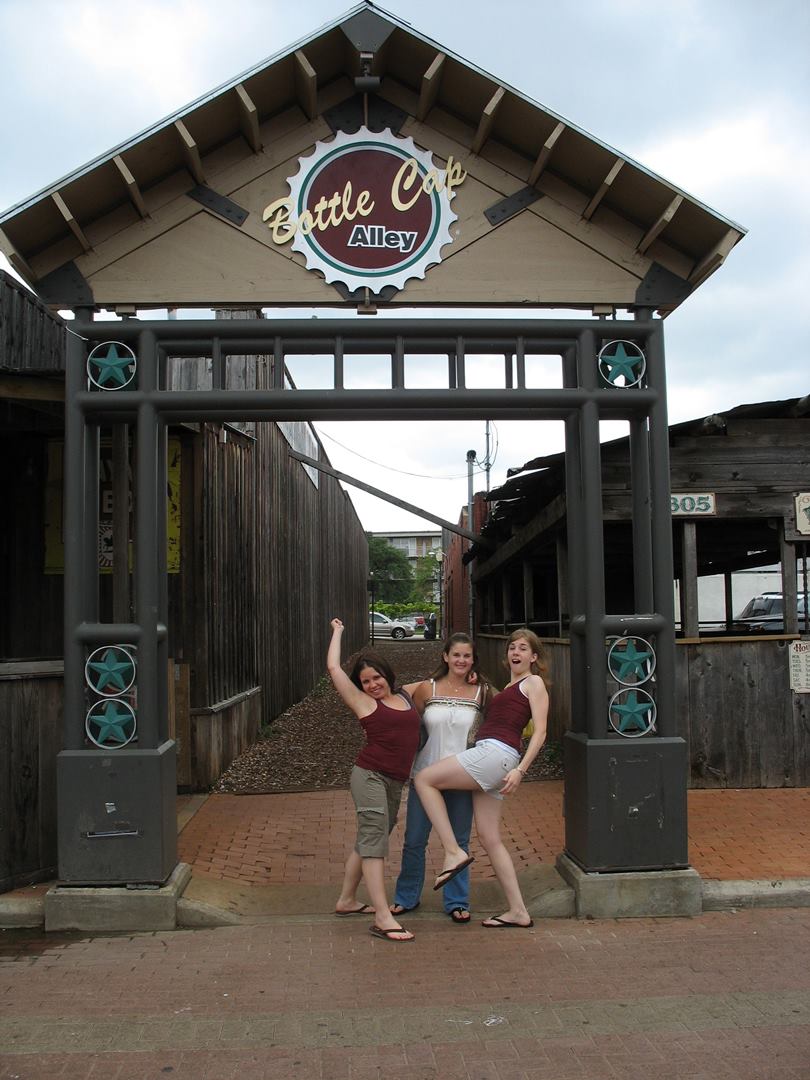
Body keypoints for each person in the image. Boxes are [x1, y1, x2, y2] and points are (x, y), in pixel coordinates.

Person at [414, 628, 549, 929]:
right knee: (490, 839)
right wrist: (480, 683)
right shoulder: (506, 688)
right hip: (494, 759)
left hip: (496, 754)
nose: (516, 653)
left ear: (534, 657)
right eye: (512, 648)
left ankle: (452, 852)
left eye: (524, 649)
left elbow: (540, 731)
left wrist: (521, 770)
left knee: (424, 779)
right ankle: (518, 910)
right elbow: (496, 705)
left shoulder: (534, 682)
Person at [327, 618, 422, 942]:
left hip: (395, 781)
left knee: (368, 839)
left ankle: (347, 899)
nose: (372, 685)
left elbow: (437, 682)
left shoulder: (406, 695)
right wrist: (338, 632)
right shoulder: (364, 703)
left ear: (387, 675)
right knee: (374, 842)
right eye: (365, 681)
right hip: (370, 776)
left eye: (376, 677)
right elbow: (335, 669)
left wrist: (468, 676)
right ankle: (383, 917)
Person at [391, 633, 490, 924]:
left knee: (460, 842)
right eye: (456, 655)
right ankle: (406, 896)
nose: (461, 660)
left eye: (467, 656)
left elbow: (507, 710)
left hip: (462, 775)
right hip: (426, 774)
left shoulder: (482, 691)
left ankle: (457, 901)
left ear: (473, 660)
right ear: (445, 657)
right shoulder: (427, 688)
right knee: (414, 840)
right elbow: (395, 695)